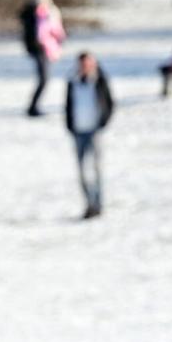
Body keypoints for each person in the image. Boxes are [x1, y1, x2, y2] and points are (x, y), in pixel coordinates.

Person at [65, 52, 114, 220]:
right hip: (78, 131)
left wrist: (102, 122)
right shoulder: (73, 82)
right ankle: (89, 204)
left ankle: (98, 204)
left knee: (95, 169)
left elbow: (109, 103)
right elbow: (68, 105)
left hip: (94, 130)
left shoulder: (100, 81)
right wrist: (70, 126)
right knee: (82, 171)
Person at [20, 0, 66, 117]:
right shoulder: (30, 14)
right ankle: (33, 107)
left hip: (48, 48)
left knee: (44, 79)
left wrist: (59, 40)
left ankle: (34, 106)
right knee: (43, 79)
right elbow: (30, 32)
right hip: (38, 49)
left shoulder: (51, 12)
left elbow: (56, 29)